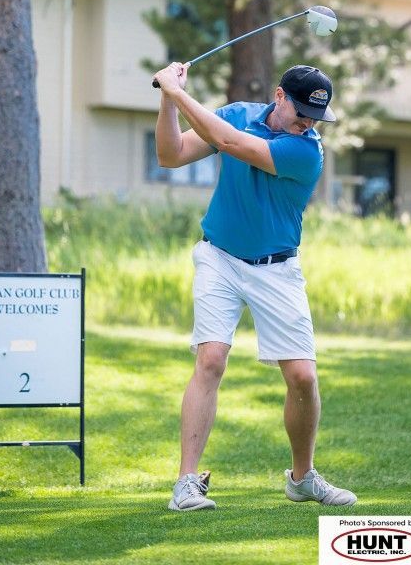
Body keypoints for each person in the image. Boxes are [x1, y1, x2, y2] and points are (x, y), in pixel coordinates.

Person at [153, 60, 357, 512]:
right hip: (219, 256)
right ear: (279, 96)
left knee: (302, 377)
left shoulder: (306, 152)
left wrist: (178, 92)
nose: (307, 123)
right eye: (301, 111)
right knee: (211, 360)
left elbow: (227, 143)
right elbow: (170, 156)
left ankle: (302, 479)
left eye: (315, 117)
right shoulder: (238, 113)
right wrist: (167, 99)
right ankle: (186, 483)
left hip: (277, 268)